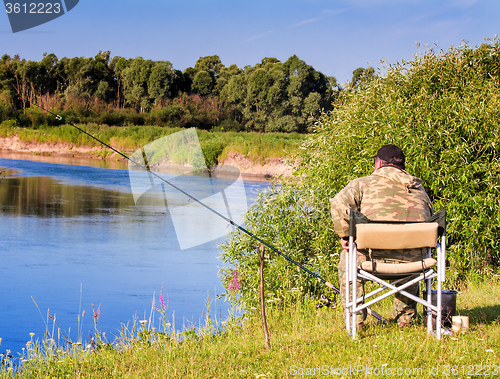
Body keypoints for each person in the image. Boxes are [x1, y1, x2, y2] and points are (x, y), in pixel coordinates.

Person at [329, 144, 433, 327]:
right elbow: (431, 218)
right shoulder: (419, 189)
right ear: (402, 167)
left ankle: (355, 320)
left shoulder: (362, 184)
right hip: (415, 265)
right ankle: (405, 318)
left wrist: (345, 236)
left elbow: (338, 204)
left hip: (373, 260)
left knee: (348, 256)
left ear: (378, 164)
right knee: (412, 250)